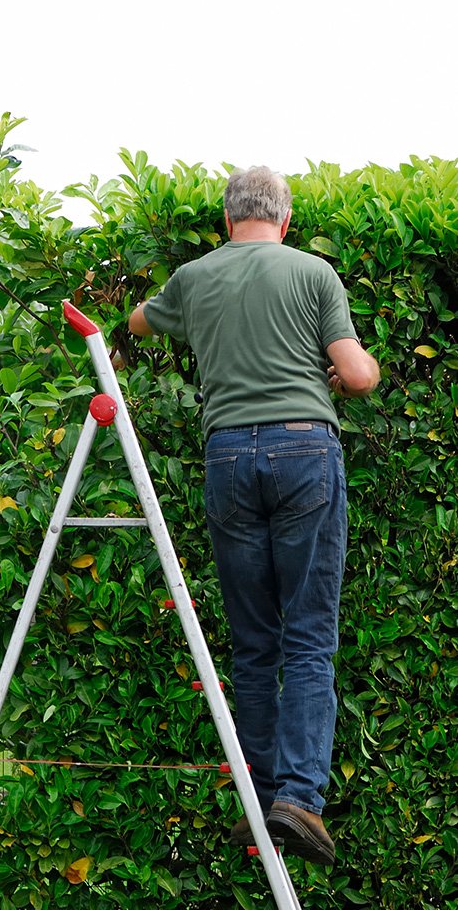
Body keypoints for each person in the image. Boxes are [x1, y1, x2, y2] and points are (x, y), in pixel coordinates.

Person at [128, 166, 379, 865]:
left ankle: (256, 798)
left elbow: (139, 321)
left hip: (228, 455)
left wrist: (121, 313)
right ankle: (296, 800)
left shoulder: (195, 276)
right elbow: (356, 376)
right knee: (307, 636)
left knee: (254, 642)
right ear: (285, 219)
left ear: (226, 218)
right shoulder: (311, 274)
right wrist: (356, 372)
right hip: (304, 450)